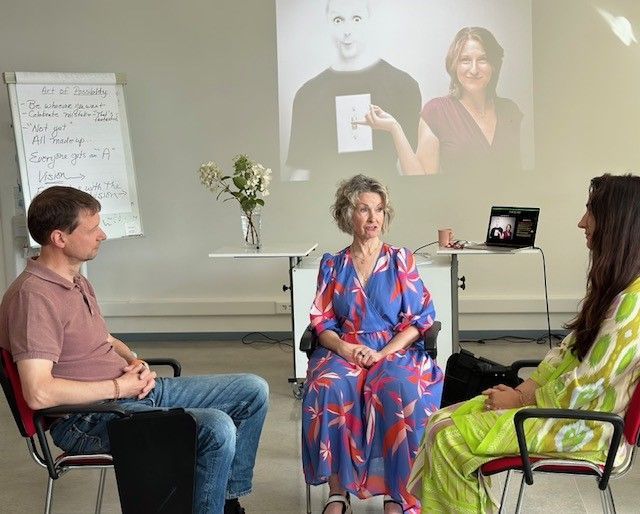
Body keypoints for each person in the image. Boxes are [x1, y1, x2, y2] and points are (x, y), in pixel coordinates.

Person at [0, 186, 269, 514]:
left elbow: (104, 338)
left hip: (130, 397)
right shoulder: (34, 298)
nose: (102, 234)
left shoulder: (75, 280)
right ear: (59, 238)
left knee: (252, 390)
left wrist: (133, 360)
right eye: (92, 228)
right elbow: (38, 393)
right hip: (90, 419)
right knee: (215, 427)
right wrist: (120, 386)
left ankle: (224, 501)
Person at [407, 173, 640, 513]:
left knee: (448, 439)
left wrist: (519, 399)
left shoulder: (632, 305)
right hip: (563, 413)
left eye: (591, 211)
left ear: (617, 222)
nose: (581, 222)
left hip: (588, 429)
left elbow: (584, 385)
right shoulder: (616, 292)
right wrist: (523, 391)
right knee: (439, 421)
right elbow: (565, 355)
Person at [301, 175, 443, 514]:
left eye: (379, 210)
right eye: (364, 210)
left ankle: (399, 493)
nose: (373, 218)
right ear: (347, 214)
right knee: (328, 388)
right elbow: (321, 323)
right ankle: (338, 493)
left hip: (394, 349)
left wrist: (383, 353)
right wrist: (345, 349)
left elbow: (421, 318)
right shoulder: (332, 264)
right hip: (344, 348)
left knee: (397, 389)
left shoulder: (400, 259)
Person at [284, 0, 421, 181]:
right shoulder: (308, 94)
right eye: (338, 20)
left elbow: (414, 171)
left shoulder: (404, 86)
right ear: (327, 24)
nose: (347, 31)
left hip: (383, 205)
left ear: (369, 21)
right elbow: (300, 171)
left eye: (356, 19)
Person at [361, 27, 522, 175]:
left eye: (482, 59)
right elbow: (421, 180)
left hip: (503, 206)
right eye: (465, 60)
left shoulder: (510, 110)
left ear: (493, 65)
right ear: (454, 65)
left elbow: (518, 175)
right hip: (458, 206)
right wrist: (394, 128)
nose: (474, 69)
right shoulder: (436, 111)